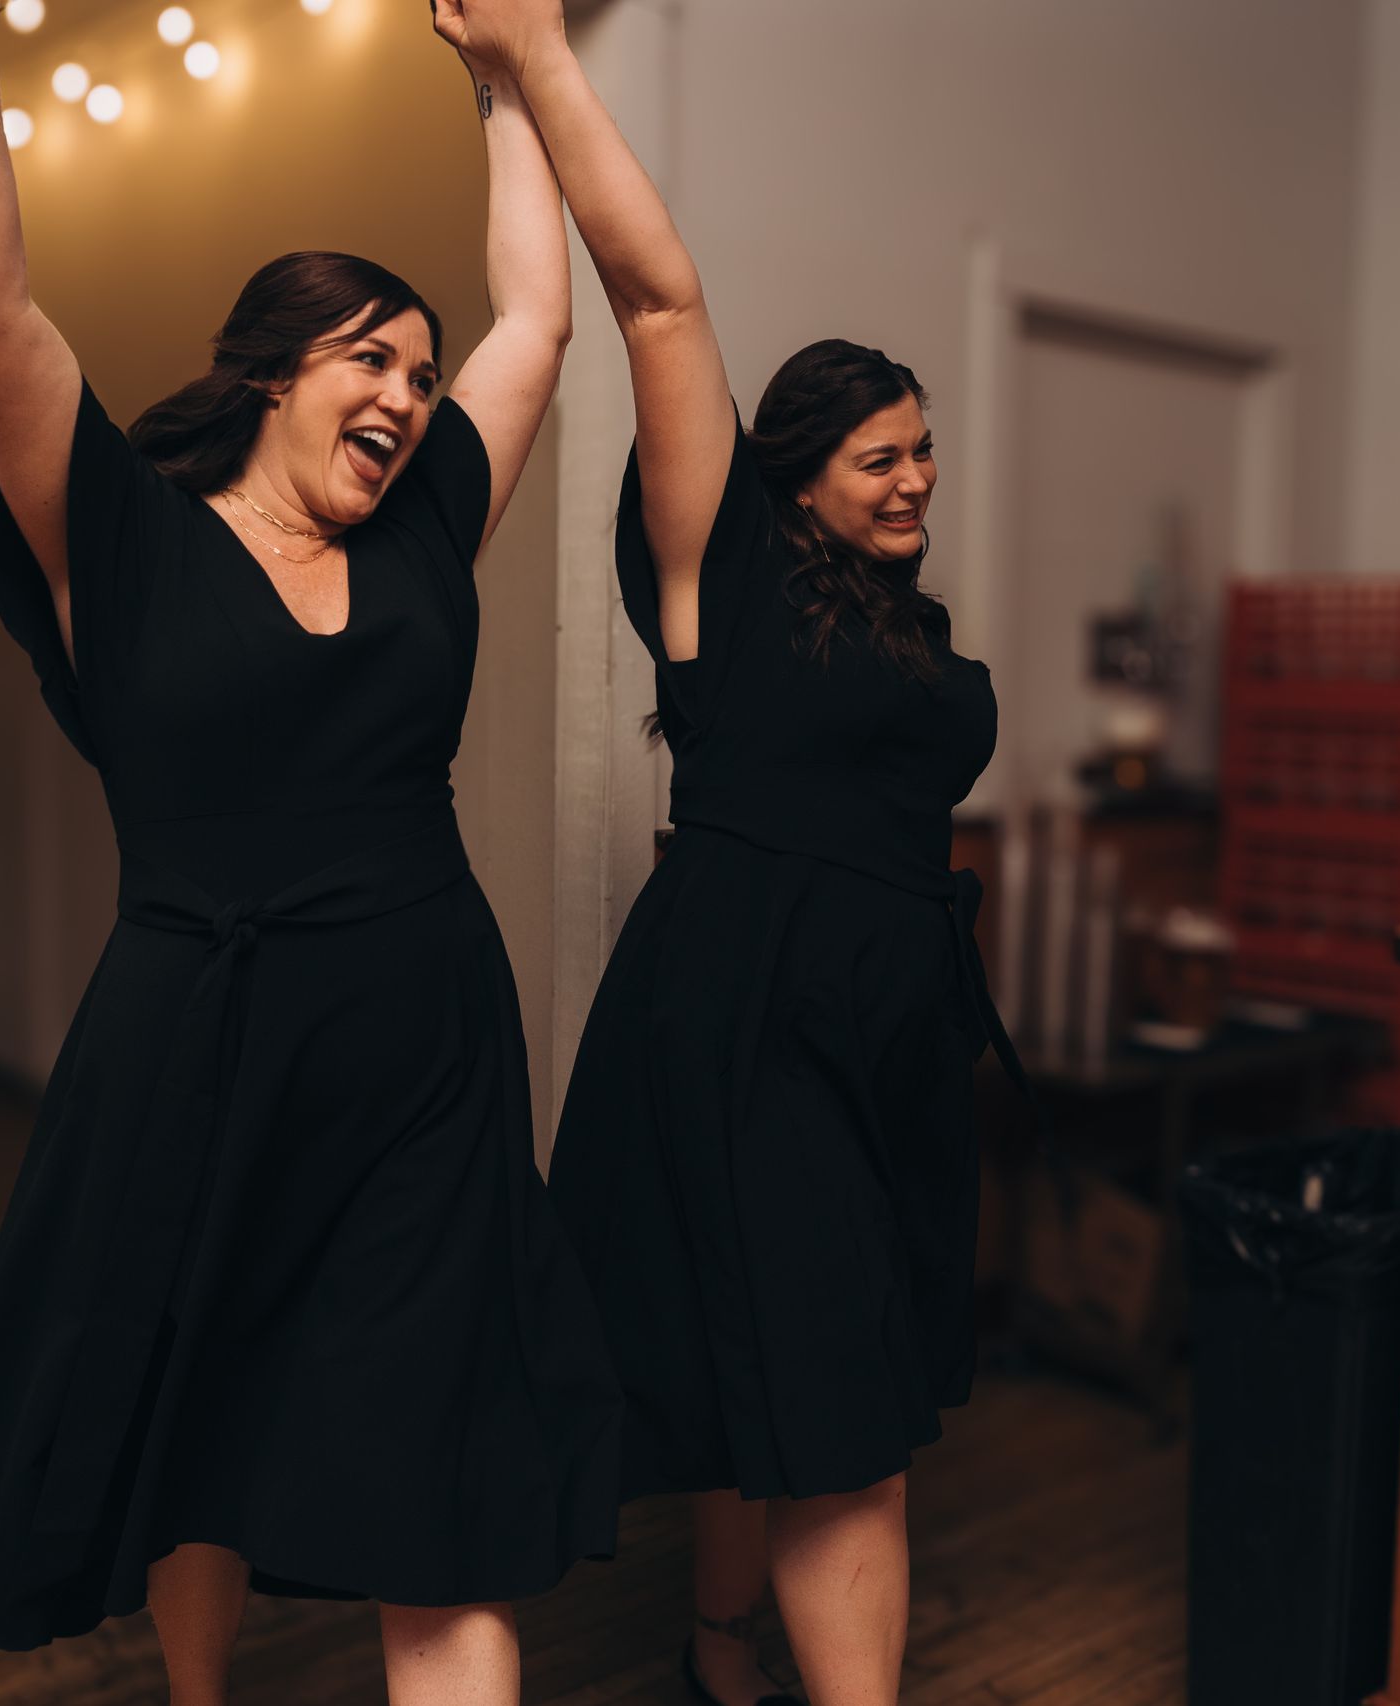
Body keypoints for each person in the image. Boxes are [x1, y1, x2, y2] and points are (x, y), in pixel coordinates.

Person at [0, 6, 619, 1702]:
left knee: (443, 1463)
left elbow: (541, 319)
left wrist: (501, 76)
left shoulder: (427, 529)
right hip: (197, 1043)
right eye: (374, 360)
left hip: (425, 1056)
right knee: (198, 1390)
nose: (409, 395)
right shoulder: (122, 540)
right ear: (278, 369)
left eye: (423, 375)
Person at [431, 5, 1021, 1704]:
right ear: (796, 482)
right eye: (878, 457)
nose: (915, 480)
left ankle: (718, 1646)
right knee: (837, 1414)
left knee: (791, 1352)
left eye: (923, 448)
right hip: (751, 1022)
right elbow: (660, 300)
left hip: (886, 1039)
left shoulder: (912, 635)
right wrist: (534, 65)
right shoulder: (726, 581)